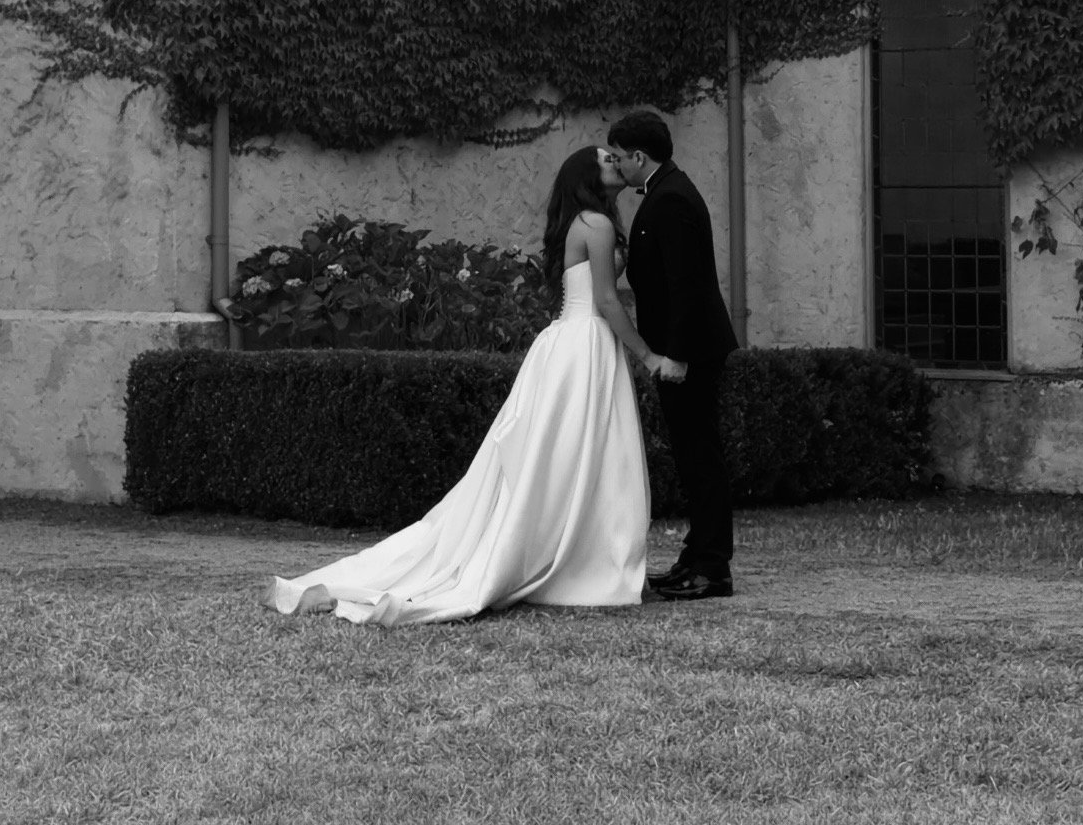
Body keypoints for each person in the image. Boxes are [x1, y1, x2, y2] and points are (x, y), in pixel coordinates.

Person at [264, 147, 676, 625]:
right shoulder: (597, 225)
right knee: (582, 453)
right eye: (607, 159)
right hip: (584, 344)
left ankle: (577, 554)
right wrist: (648, 356)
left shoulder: (582, 222)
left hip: (569, 343)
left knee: (568, 456)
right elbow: (605, 298)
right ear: (588, 175)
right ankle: (582, 560)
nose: (615, 161)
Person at [607, 110, 738, 601]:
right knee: (691, 456)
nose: (617, 165)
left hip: (690, 352)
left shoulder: (672, 198)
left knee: (700, 456)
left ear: (640, 156)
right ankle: (697, 556)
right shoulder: (667, 192)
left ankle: (712, 568)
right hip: (680, 348)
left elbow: (687, 285)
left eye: (620, 157)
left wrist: (676, 355)